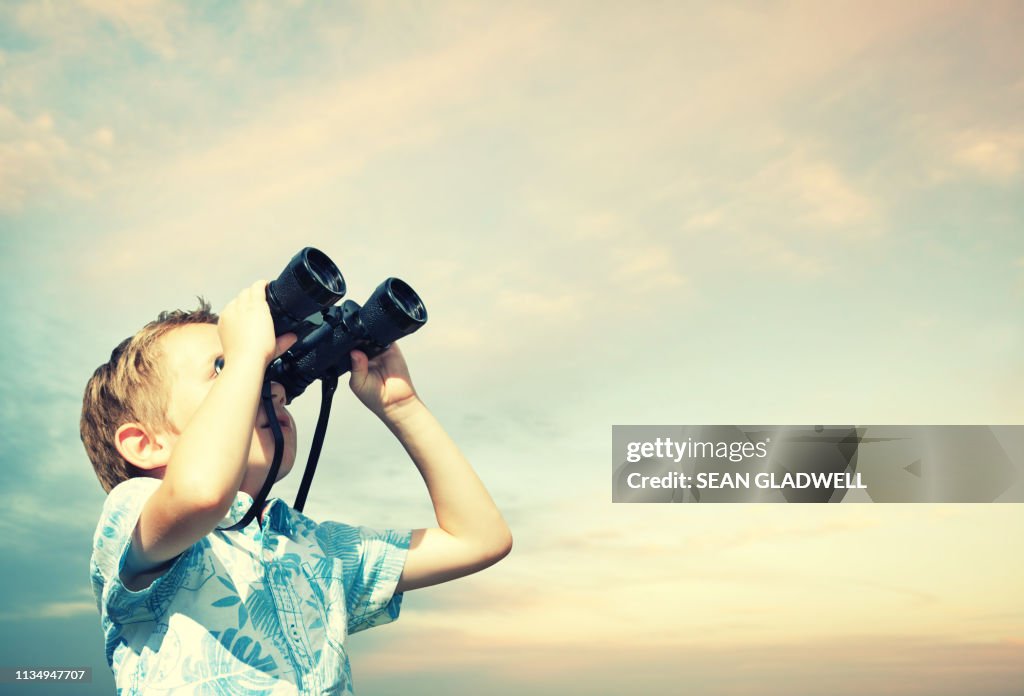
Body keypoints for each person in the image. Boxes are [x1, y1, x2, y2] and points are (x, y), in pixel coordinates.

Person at [80, 280, 512, 694]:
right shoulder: (134, 518)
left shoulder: (316, 548)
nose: (269, 386)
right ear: (146, 444)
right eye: (222, 368)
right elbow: (199, 494)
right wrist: (249, 354)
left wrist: (403, 407)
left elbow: (479, 540)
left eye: (268, 370)